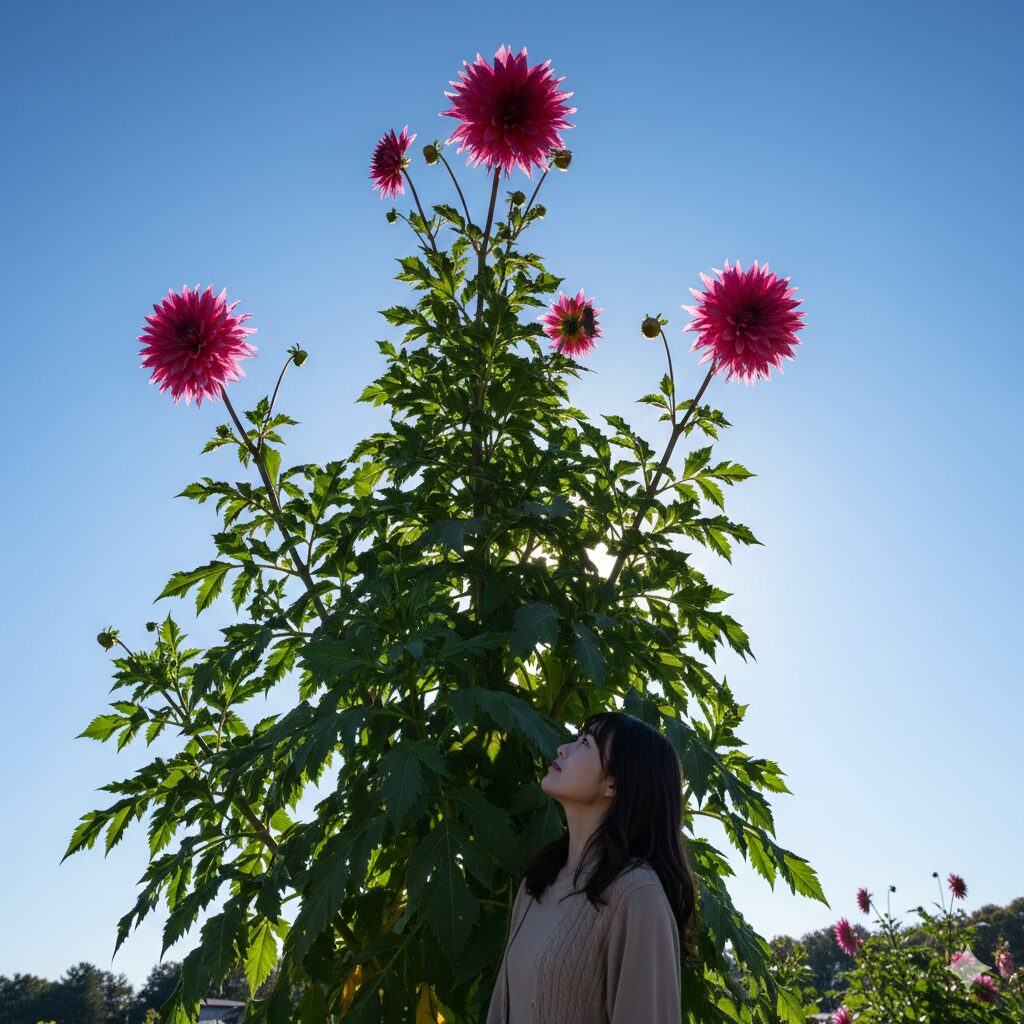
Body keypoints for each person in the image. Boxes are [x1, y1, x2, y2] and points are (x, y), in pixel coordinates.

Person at [485, 711, 700, 1023]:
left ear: (613, 783)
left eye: (584, 743)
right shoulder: (538, 883)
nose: (563, 748)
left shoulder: (637, 896)